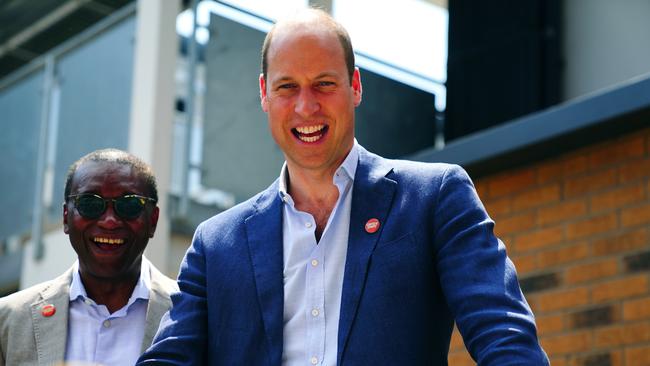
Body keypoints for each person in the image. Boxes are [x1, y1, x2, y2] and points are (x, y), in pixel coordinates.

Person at [139, 9, 549, 365]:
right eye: (287, 87)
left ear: (355, 86)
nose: (306, 106)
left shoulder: (435, 197)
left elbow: (505, 337)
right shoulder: (215, 245)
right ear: (265, 94)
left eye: (324, 84)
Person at [0, 149, 178, 366]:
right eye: (90, 204)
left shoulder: (192, 315)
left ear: (153, 220)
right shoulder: (9, 320)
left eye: (129, 205)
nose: (109, 221)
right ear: (66, 217)